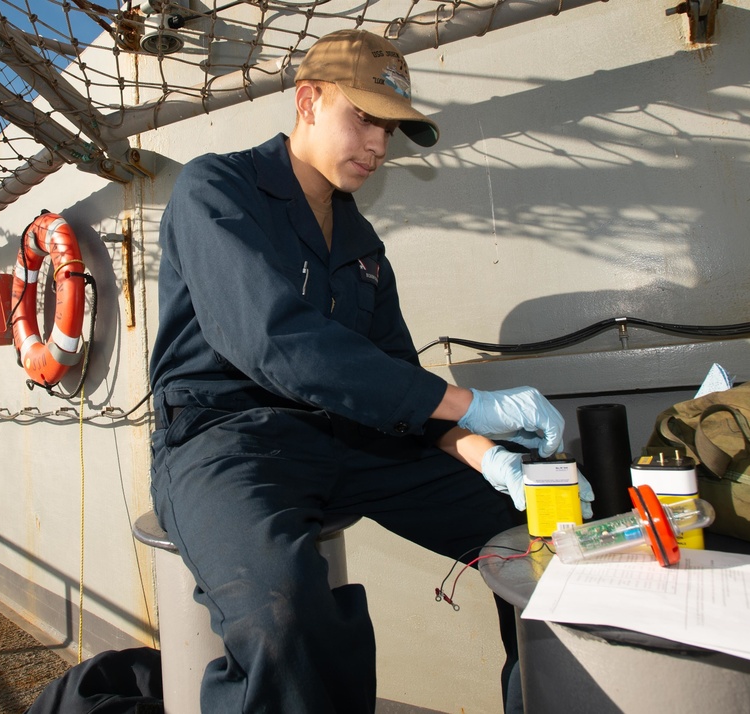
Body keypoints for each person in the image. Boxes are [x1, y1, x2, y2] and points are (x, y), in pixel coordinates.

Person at [149, 29, 593, 713]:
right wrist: (472, 402)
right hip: (227, 439)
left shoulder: (362, 246)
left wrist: (490, 457)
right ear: (308, 101)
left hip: (348, 435)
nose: (380, 147)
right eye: (364, 118)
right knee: (283, 614)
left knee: (545, 539)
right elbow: (274, 342)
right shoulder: (216, 188)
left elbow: (398, 384)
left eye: (391, 129)